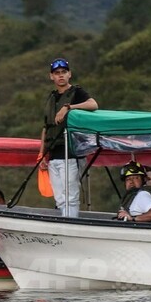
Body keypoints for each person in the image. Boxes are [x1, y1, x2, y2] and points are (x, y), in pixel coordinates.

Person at [38, 58, 98, 218]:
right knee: (60, 197)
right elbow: (46, 127)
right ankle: (64, 221)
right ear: (52, 77)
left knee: (70, 194)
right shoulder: (51, 98)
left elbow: (93, 104)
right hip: (53, 154)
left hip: (70, 152)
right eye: (57, 73)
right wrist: (42, 154)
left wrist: (69, 107)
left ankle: (70, 223)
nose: (61, 76)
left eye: (64, 72)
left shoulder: (77, 93)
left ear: (69, 74)